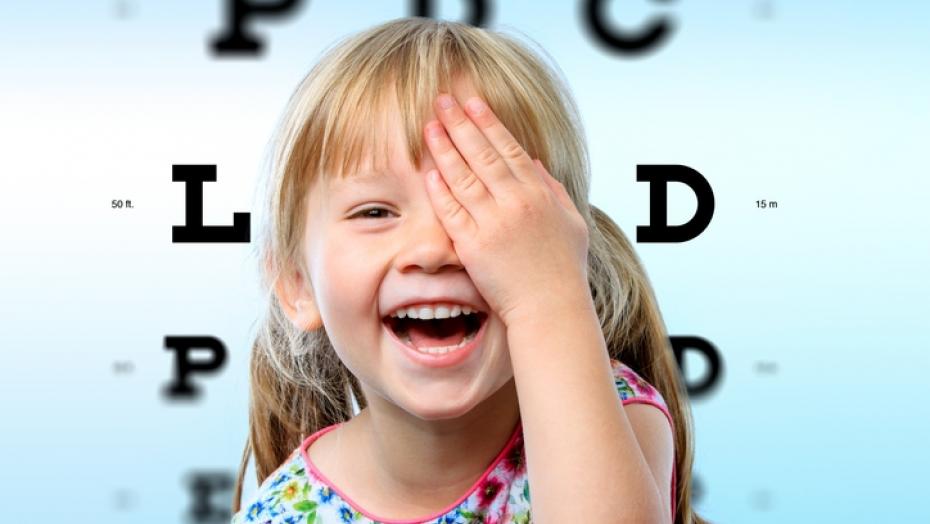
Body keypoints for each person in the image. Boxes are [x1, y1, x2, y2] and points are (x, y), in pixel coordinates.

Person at [231, 16, 707, 524]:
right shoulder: (281, 513)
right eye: (374, 212)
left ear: (558, 252)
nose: (434, 248)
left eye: (479, 202)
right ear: (296, 284)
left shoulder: (610, 417)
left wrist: (546, 297)